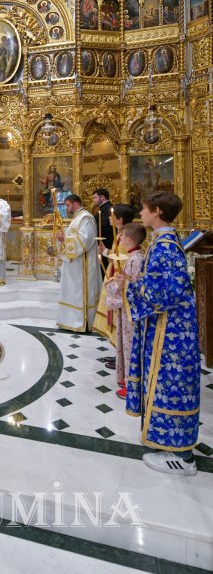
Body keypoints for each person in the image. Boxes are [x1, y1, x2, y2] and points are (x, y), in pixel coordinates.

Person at [116, 191, 200, 475]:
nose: (140, 213)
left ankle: (182, 457)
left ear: (158, 212)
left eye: (144, 209)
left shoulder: (164, 246)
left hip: (172, 331)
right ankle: (169, 445)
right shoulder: (163, 242)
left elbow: (163, 293)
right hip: (170, 327)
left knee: (171, 385)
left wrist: (130, 286)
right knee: (165, 383)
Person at [104, 222, 145, 400]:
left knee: (130, 347)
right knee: (125, 345)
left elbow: (133, 286)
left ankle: (132, 384)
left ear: (128, 239)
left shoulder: (136, 260)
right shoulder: (134, 257)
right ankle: (127, 378)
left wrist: (118, 284)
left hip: (131, 312)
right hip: (126, 311)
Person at [92, 203, 135, 361]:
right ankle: (118, 354)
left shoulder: (124, 236)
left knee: (118, 318)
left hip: (118, 282)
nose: (109, 218)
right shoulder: (121, 233)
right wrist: (105, 251)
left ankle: (121, 356)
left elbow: (121, 260)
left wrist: (105, 252)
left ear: (120, 219)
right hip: (113, 277)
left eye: (112, 215)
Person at [56, 194, 102, 332]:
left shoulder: (86, 218)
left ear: (75, 204)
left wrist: (65, 239)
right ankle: (70, 320)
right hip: (75, 263)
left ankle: (82, 322)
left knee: (79, 292)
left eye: (68, 205)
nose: (67, 208)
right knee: (72, 291)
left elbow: (84, 240)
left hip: (83, 264)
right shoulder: (78, 217)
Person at [92, 188, 112, 275]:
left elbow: (105, 227)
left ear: (102, 197)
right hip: (104, 244)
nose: (93, 200)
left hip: (105, 244)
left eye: (95, 197)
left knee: (105, 270)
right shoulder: (104, 208)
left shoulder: (106, 209)